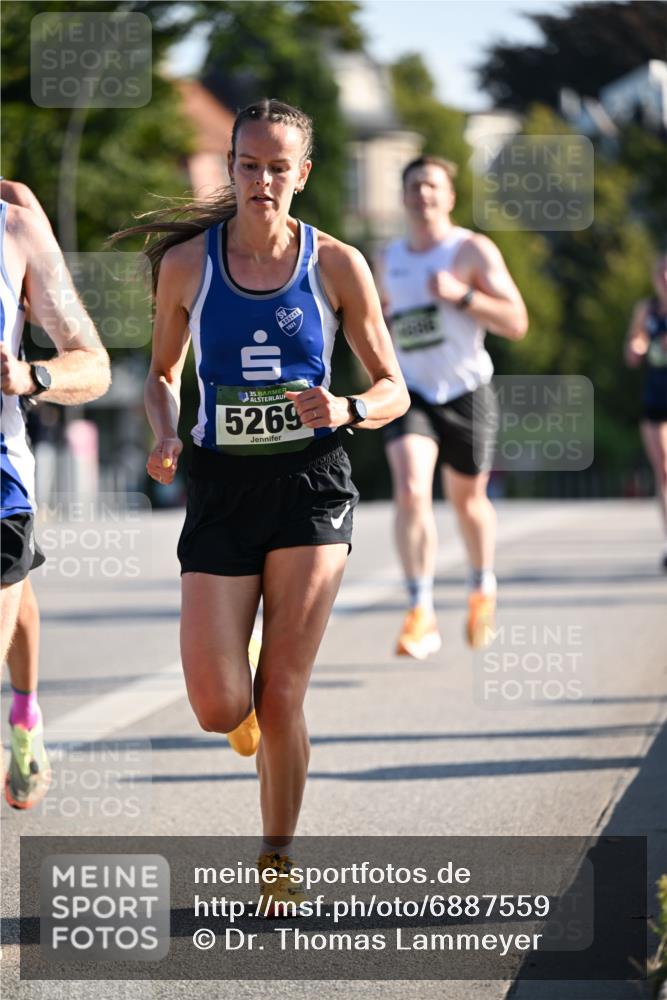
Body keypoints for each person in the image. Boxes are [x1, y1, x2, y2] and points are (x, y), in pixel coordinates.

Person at [116, 99, 408, 914]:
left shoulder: (338, 266)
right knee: (220, 706)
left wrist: (346, 409)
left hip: (311, 486)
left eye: (280, 167)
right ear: (231, 169)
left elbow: (394, 388)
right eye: (249, 164)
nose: (263, 180)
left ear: (302, 175)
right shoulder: (187, 265)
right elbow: (163, 375)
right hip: (218, 485)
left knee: (281, 693)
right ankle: (244, 719)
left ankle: (277, 855)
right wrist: (165, 433)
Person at [376, 155, 528, 659]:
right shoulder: (388, 257)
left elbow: (516, 321)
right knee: (413, 488)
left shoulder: (470, 250)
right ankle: (420, 610)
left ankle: (482, 586)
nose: (423, 195)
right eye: (414, 186)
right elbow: (375, 328)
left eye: (432, 186)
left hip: (466, 390)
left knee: (467, 501)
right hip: (411, 391)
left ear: (450, 196)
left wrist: (462, 296)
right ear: (402, 197)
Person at [1, 178, 111, 808]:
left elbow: (91, 362)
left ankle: (22, 718)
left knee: (13, 586)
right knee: (22, 590)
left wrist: (29, 374)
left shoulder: (14, 226)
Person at [625, 253, 667, 570]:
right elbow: (633, 350)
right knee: (663, 470)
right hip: (655, 397)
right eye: (661, 274)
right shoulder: (647, 310)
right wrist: (637, 348)